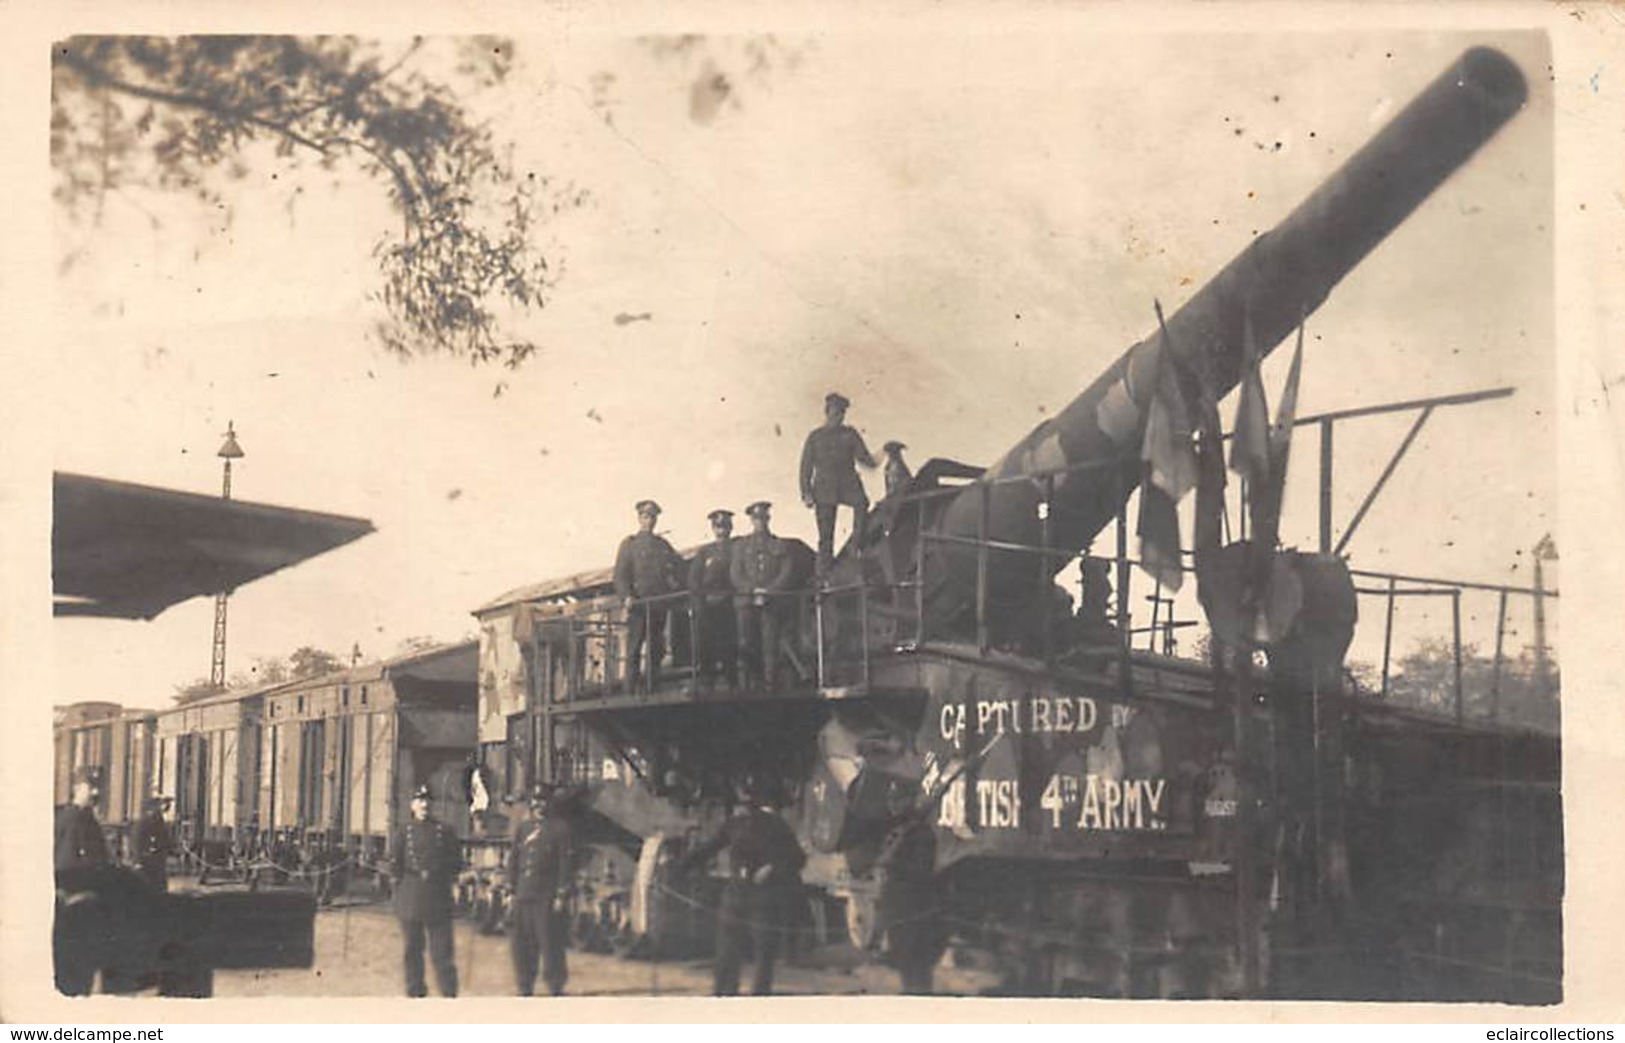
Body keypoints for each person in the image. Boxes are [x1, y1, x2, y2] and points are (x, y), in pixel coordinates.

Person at [679, 775, 807, 996]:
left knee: (764, 954)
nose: (742, 806)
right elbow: (710, 847)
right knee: (726, 953)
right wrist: (680, 865)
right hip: (736, 895)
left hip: (764, 899)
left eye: (746, 800)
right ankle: (724, 996)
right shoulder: (734, 824)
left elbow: (797, 858)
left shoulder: (776, 825)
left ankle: (758, 999)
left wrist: (771, 868)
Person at [389, 783, 461, 998]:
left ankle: (449, 994)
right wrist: (398, 895)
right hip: (411, 896)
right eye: (420, 801)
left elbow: (455, 863)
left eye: (428, 800)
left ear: (433, 804)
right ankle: (415, 992)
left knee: (442, 952)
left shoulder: (445, 831)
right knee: (412, 950)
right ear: (412, 805)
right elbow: (395, 865)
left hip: (437, 896)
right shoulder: (403, 832)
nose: (424, 805)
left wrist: (453, 884)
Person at [800, 391, 878, 574]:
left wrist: (883, 453)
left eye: (842, 414)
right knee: (825, 537)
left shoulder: (850, 434)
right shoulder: (815, 437)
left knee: (862, 504)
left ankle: (855, 546)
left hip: (847, 484)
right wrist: (806, 493)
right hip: (824, 489)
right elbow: (805, 467)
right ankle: (824, 575)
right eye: (835, 413)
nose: (839, 417)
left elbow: (865, 460)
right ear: (827, 412)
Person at [509, 784, 576, 997]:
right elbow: (515, 860)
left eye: (543, 800)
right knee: (522, 944)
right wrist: (512, 890)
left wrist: (562, 893)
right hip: (524, 893)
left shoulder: (560, 829)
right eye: (536, 801)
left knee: (550, 943)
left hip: (546, 895)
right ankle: (524, 984)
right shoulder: (524, 829)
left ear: (550, 803)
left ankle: (555, 985)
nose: (539, 805)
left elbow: (566, 863)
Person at [613, 499, 686, 690]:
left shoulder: (663, 545)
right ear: (639, 519)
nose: (649, 521)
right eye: (645, 517)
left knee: (656, 648)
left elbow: (678, 568)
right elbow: (620, 575)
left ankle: (653, 687)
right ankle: (630, 689)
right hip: (638, 604)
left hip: (658, 604)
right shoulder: (630, 544)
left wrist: (676, 589)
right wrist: (626, 596)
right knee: (634, 648)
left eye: (652, 517)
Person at [55, 765, 115, 995]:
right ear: (78, 788)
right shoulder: (72, 819)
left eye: (97, 788)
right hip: (77, 897)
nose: (96, 793)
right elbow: (68, 862)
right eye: (91, 787)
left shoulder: (86, 818)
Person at [730, 501, 796, 690]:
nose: (761, 522)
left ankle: (769, 681)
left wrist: (770, 590)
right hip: (746, 600)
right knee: (745, 642)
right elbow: (735, 573)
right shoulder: (741, 546)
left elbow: (786, 571)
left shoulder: (778, 544)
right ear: (752, 520)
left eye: (764, 518)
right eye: (757, 519)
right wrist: (752, 590)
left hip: (771, 600)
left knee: (770, 641)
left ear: (769, 519)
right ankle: (746, 682)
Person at [688, 508, 738, 690]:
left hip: (732, 601)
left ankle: (731, 676)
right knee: (707, 640)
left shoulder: (737, 548)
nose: (721, 531)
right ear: (713, 529)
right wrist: (702, 598)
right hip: (709, 603)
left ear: (730, 528)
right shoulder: (705, 552)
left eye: (725, 527)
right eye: (718, 527)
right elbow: (693, 580)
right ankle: (706, 677)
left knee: (730, 641)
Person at [131, 797, 175, 892]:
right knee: (149, 887)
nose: (159, 809)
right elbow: (137, 842)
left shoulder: (159, 821)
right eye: (157, 806)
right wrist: (138, 860)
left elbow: (165, 838)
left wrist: (170, 849)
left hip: (158, 859)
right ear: (150, 808)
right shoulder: (143, 822)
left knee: (159, 886)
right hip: (147, 859)